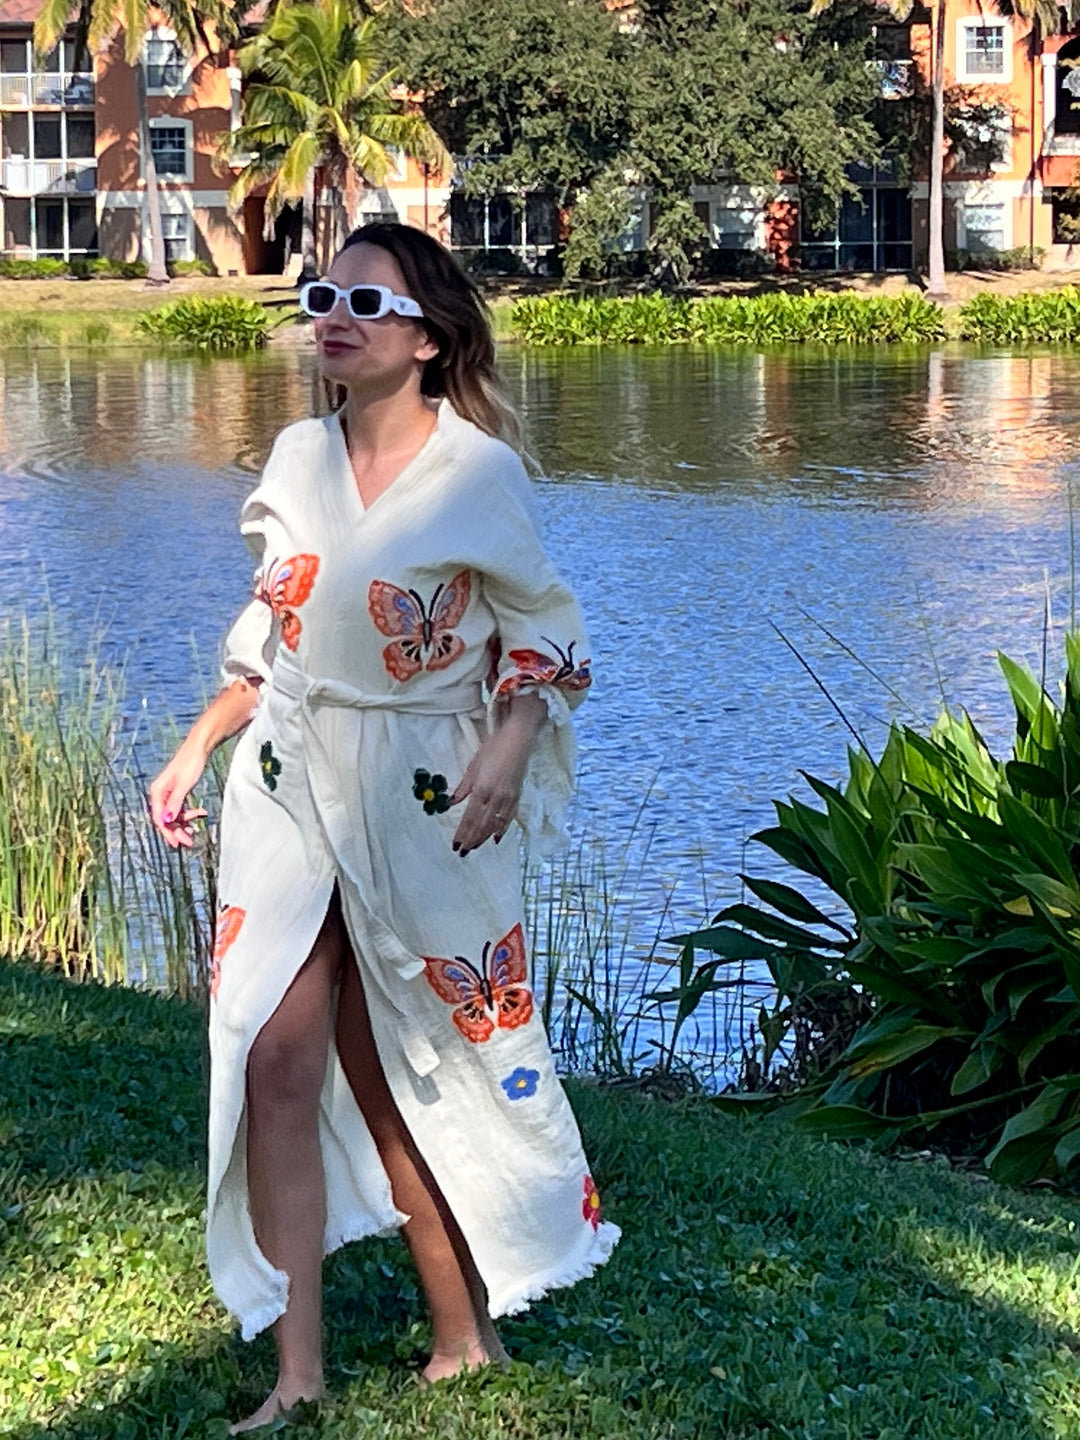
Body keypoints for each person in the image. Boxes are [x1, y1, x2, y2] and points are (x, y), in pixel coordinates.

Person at [149, 223, 619, 1433]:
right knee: (277, 1060)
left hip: (426, 791)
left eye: (367, 298)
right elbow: (276, 637)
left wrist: (509, 752)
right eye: (321, 296)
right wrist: (197, 747)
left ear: (428, 336)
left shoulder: (477, 473)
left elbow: (546, 636)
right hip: (290, 779)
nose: (335, 317)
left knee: (418, 1059)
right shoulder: (299, 455)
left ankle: (465, 1334)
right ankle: (297, 1371)